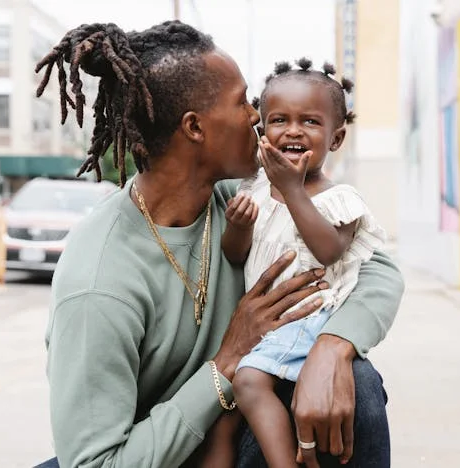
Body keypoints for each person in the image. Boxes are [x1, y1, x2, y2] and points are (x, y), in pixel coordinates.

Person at [32, 20, 404, 468]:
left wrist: (334, 344)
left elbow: (375, 266)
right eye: (242, 103)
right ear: (195, 128)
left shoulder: (243, 199)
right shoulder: (99, 282)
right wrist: (225, 363)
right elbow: (98, 464)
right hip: (156, 456)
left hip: (237, 431)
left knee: (353, 381)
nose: (256, 117)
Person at [214, 58, 387, 468]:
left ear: (336, 137)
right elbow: (237, 256)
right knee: (221, 420)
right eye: (279, 120)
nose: (292, 131)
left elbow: (329, 250)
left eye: (310, 122)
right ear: (262, 130)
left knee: (251, 384)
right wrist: (237, 227)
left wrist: (292, 189)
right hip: (268, 326)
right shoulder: (252, 190)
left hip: (308, 318)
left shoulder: (338, 200)